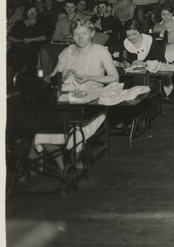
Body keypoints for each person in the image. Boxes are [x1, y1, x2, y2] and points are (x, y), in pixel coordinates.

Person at [33, 19, 118, 174]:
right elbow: (54, 77)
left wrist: (89, 77)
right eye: (76, 34)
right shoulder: (68, 51)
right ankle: (62, 166)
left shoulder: (101, 51)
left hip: (92, 102)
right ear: (71, 36)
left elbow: (114, 78)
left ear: (92, 33)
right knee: (42, 132)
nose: (80, 38)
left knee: (77, 132)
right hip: (68, 99)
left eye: (84, 33)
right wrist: (54, 78)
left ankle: (75, 159)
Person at [7, 5, 49, 73]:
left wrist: (32, 39)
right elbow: (10, 37)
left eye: (34, 11)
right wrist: (20, 40)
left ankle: (22, 73)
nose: (32, 13)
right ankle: (10, 75)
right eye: (29, 11)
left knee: (26, 50)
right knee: (12, 52)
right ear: (26, 13)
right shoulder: (19, 23)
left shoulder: (42, 24)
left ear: (37, 12)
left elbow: (45, 37)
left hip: (34, 45)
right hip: (18, 45)